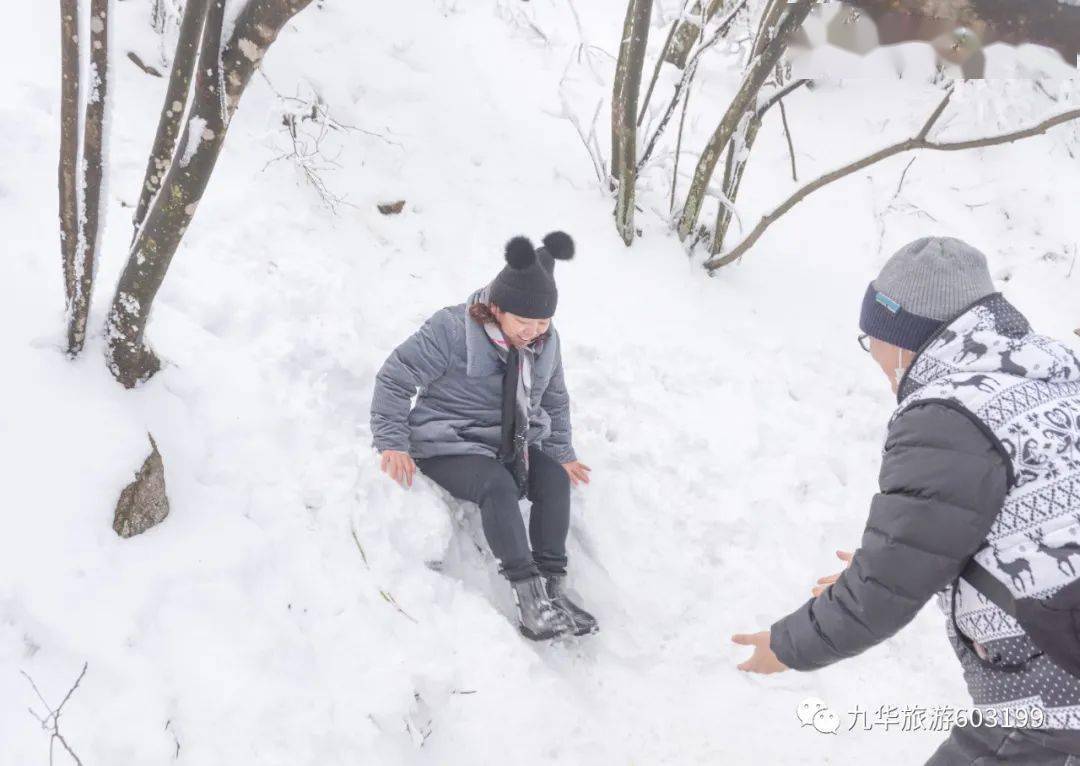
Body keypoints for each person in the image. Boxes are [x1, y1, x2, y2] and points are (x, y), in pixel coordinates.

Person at [732, 237, 1080, 763]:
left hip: (1052, 693)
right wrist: (910, 561)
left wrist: (785, 646)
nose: (871, 354)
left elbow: (885, 588)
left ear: (905, 337)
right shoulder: (1055, 372)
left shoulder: (945, 412)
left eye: (870, 338)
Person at [370, 232, 597, 641]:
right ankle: (529, 602)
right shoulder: (452, 329)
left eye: (542, 322)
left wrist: (561, 452)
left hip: (510, 442)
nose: (532, 332)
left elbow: (556, 398)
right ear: (496, 308)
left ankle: (553, 590)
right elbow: (395, 377)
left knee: (553, 480)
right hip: (448, 442)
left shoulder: (546, 341)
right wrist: (392, 442)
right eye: (522, 322)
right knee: (497, 484)